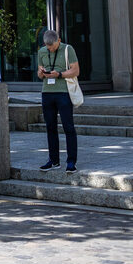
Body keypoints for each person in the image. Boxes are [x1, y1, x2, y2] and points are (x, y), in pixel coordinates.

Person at [37, 29, 79, 172]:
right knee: (50, 127)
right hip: (47, 93)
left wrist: (59, 74)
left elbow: (76, 71)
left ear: (58, 41)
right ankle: (53, 160)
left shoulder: (68, 49)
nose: (50, 49)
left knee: (68, 127)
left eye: (52, 46)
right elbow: (39, 74)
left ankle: (71, 161)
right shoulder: (42, 51)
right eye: (48, 46)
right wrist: (41, 73)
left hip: (63, 93)